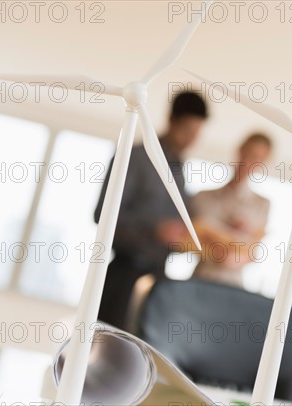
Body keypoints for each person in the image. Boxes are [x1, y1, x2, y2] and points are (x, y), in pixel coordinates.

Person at [94, 91, 208, 330]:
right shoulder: (135, 157)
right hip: (124, 277)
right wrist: (154, 229)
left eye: (196, 133)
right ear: (172, 120)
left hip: (158, 280)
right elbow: (102, 215)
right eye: (187, 131)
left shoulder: (179, 171)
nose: (191, 139)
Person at [191, 133, 273, 288]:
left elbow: (254, 252)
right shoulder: (203, 197)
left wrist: (233, 259)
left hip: (234, 285)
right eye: (247, 154)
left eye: (257, 158)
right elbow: (189, 239)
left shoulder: (262, 205)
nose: (249, 161)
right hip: (200, 279)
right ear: (239, 151)